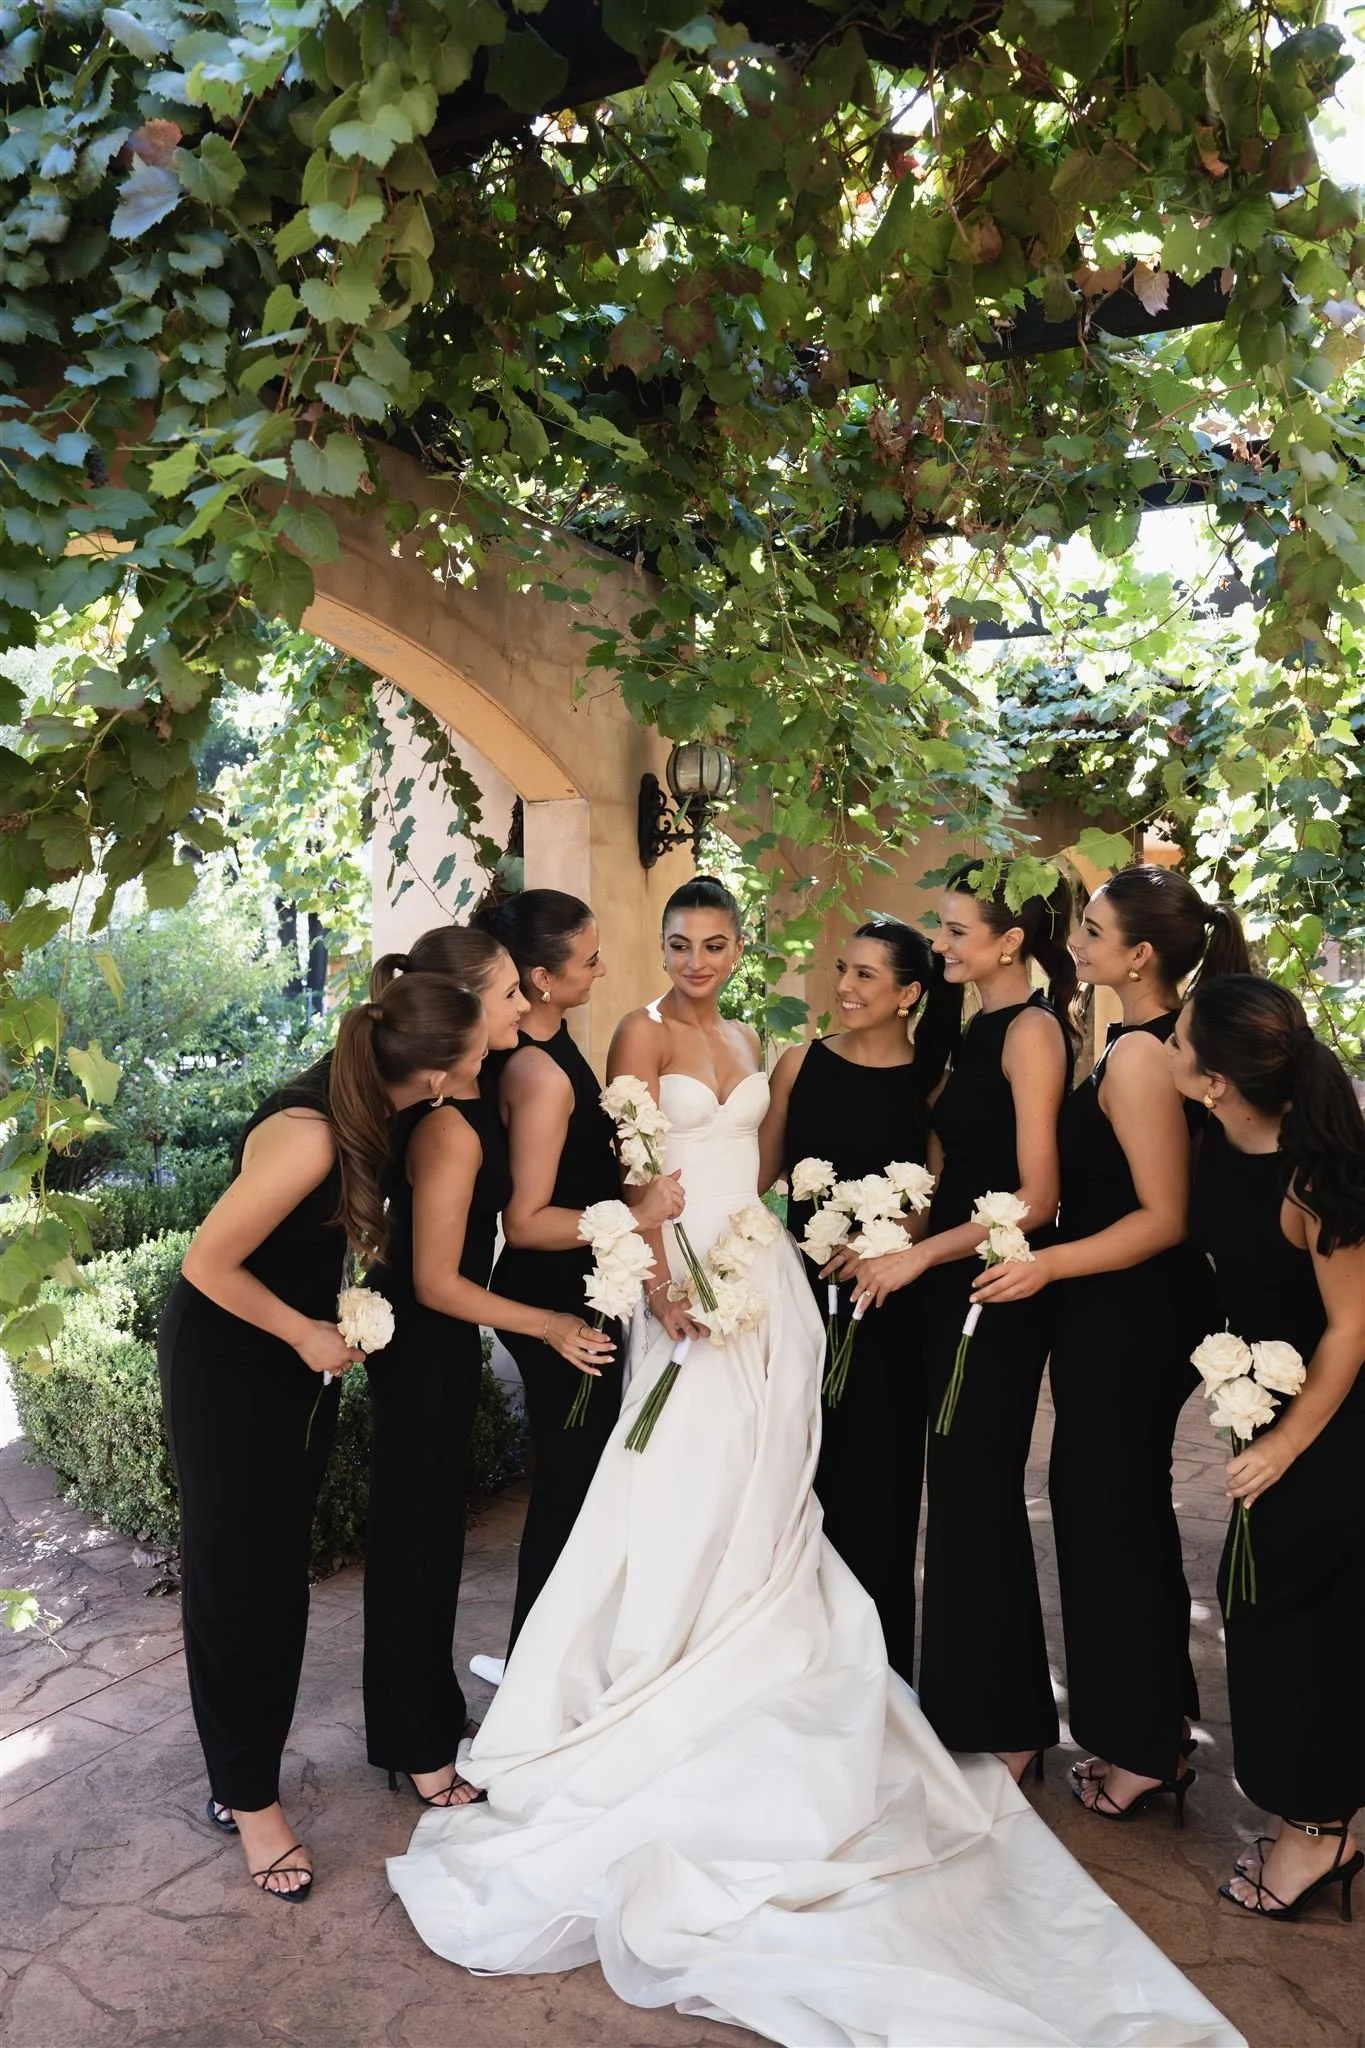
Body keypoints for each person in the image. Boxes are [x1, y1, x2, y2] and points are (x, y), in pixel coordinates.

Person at [384, 876, 1240, 2048]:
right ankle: (653, 1659)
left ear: (742, 948)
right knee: (675, 1478)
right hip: (683, 1279)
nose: (696, 959)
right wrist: (660, 1262)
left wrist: (837, 1234)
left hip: (771, 1281)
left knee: (773, 1486)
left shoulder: (765, 1039)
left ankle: (768, 1645)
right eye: (678, 941)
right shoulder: (638, 1032)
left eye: (717, 941)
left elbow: (782, 1167)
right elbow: (631, 1167)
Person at [157, 976, 488, 1900]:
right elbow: (206, 1262)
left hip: (289, 1364)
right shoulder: (311, 1133)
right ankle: (248, 1801)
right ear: (432, 1072)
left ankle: (245, 1766)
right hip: (232, 1363)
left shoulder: (368, 1105)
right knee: (240, 1583)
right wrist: (306, 1332)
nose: (487, 1058)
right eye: (476, 1049)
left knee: (276, 1578)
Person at [977, 866, 1247, 1821]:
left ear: (1139, 956)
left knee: (1113, 1522)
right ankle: (1153, 1731)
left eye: (1091, 931)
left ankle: (1142, 1751)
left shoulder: (1140, 1055)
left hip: (1133, 1310)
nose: (1076, 942)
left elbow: (1163, 1217)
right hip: (1114, 1308)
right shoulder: (1129, 1039)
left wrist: (1047, 1269)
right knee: (1108, 1513)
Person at [362, 929, 616, 1807]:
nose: (522, 1006)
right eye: (508, 993)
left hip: (443, 1341)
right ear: (465, 1006)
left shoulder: (474, 1089)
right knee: (413, 1541)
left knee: (432, 1538)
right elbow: (435, 1282)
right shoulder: (445, 1128)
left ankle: (423, 1724)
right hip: (422, 1343)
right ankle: (417, 1746)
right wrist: (547, 1323)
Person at [853, 862, 1075, 1784]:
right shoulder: (970, 1027)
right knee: (956, 1498)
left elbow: (1037, 1195)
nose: (937, 943)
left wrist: (925, 1254)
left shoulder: (1031, 1032)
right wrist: (889, 1233)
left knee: (979, 1497)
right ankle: (962, 1710)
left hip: (998, 1291)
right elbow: (948, 1168)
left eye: (952, 931)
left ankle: (1014, 1722)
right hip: (950, 1285)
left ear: (1009, 943)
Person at [1169, 976, 1365, 1921]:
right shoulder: (1218, 1142)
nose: (1162, 1047)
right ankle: (1320, 1813)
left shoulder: (1311, 1175)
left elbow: (1350, 1329)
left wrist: (1284, 1447)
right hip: (1265, 1411)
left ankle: (1319, 1834)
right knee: (1261, 1612)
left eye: (1177, 1041)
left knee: (1304, 1628)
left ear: (1214, 1079)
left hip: (1329, 1424)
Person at [472, 891, 684, 1651]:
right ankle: (539, 1664)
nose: (599, 972)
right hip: (558, 1304)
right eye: (587, 961)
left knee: (582, 1485)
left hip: (586, 1292)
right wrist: (638, 1213)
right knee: (569, 1489)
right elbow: (525, 1222)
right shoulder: (537, 1074)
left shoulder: (556, 1046)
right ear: (538, 977)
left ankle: (561, 1655)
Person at [758, 918, 958, 1678]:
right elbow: (757, 1177)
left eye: (867, 975)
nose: (844, 986)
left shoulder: (933, 1084)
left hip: (890, 1310)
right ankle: (795, 1668)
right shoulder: (798, 1064)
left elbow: (932, 1201)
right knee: (798, 1482)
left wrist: (884, 1244)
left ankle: (874, 1678)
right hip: (800, 1302)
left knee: (879, 1492)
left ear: (909, 993)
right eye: (843, 968)